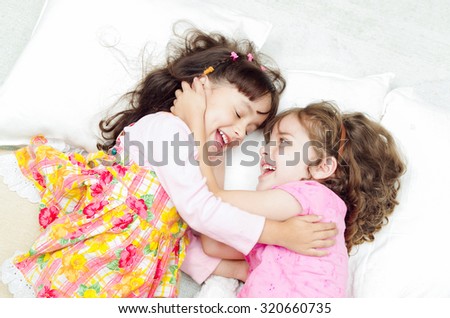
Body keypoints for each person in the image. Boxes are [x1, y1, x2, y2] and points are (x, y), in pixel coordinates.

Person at [2, 28, 338, 298]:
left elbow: (184, 239)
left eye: (250, 129)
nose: (239, 132)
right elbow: (201, 210)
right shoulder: (166, 128)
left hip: (128, 270)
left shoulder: (207, 156)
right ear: (199, 87)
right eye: (238, 114)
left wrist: (239, 270)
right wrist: (277, 233)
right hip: (94, 246)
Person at [171, 81, 406, 297]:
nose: (265, 151)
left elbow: (214, 197)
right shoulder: (291, 230)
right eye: (268, 142)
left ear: (323, 167)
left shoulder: (314, 197)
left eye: (283, 142)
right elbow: (213, 244)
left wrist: (197, 125)